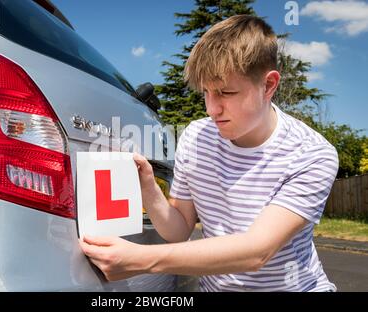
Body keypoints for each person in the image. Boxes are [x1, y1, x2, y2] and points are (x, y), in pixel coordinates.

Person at [79, 15, 339, 292]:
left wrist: (140, 260)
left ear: (269, 85)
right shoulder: (196, 137)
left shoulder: (313, 154)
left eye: (226, 92)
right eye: (206, 92)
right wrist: (149, 189)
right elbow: (179, 230)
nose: (212, 109)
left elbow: (256, 252)